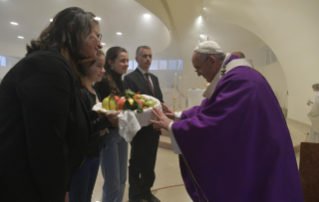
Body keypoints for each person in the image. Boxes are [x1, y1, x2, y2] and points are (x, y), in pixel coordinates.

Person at [150, 41, 304, 201]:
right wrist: (178, 116)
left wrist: (172, 127)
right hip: (260, 150)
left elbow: (216, 124)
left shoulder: (240, 80)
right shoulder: (234, 75)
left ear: (212, 61)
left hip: (265, 156)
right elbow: (212, 108)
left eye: (198, 68)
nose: (197, 73)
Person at [0, 7, 116, 202]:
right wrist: (58, 193)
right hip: (23, 187)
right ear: (72, 30)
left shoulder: (64, 67)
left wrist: (106, 121)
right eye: (95, 36)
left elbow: (74, 127)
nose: (100, 43)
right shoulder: (49, 65)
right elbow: (47, 144)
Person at [124, 46, 163, 202]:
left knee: (150, 163)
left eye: (150, 56)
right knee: (136, 163)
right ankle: (134, 195)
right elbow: (132, 104)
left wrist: (161, 119)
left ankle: (146, 191)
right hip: (140, 129)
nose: (148, 59)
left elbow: (159, 100)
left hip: (154, 128)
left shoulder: (154, 78)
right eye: (144, 56)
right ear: (137, 59)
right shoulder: (129, 78)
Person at [69, 50, 109, 202]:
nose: (103, 70)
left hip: (95, 150)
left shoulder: (94, 90)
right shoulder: (80, 92)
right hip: (82, 155)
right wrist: (107, 120)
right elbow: (82, 128)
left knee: (87, 196)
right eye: (99, 66)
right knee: (78, 197)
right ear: (86, 66)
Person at [94, 46, 129, 202]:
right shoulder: (102, 81)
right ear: (111, 62)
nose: (126, 64)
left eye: (127, 60)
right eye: (122, 60)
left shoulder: (120, 81)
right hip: (109, 135)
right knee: (112, 183)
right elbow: (98, 110)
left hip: (121, 132)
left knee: (122, 180)